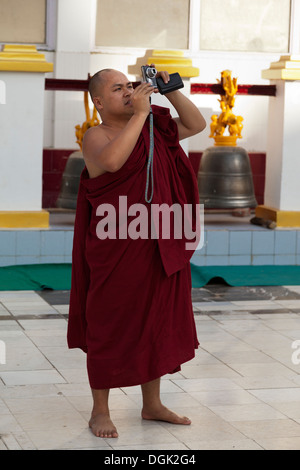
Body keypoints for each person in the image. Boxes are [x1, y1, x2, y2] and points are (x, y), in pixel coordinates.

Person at [67, 67, 206, 439]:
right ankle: (100, 410)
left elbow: (196, 123)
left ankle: (152, 404)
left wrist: (170, 90)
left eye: (131, 85)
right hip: (117, 244)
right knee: (109, 323)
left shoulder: (154, 130)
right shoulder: (96, 135)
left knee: (155, 321)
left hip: (159, 240)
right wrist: (142, 112)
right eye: (118, 88)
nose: (129, 91)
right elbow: (112, 162)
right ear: (98, 101)